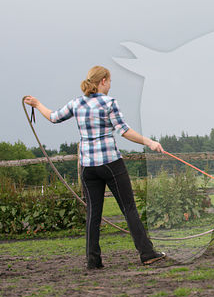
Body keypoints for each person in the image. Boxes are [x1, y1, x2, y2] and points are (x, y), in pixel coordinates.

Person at [24, 65, 166, 269]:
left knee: (93, 214)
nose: (109, 85)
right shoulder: (109, 103)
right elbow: (124, 131)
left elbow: (54, 117)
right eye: (109, 81)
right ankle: (147, 253)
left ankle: (93, 260)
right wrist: (149, 142)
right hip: (110, 163)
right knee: (129, 208)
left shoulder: (77, 103)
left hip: (88, 167)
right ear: (103, 81)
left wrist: (37, 104)